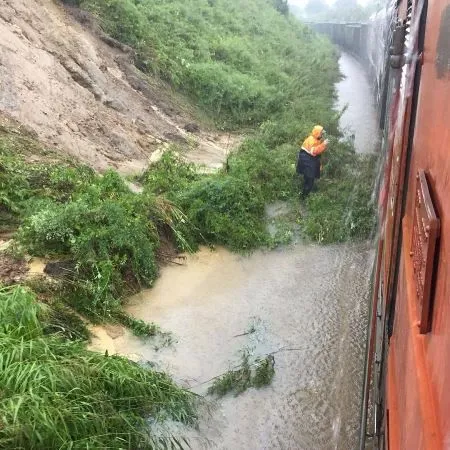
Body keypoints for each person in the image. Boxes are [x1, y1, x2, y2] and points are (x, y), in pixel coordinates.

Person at [296, 125, 329, 197]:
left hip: (308, 158)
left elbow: (316, 150)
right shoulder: (311, 140)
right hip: (306, 159)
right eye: (321, 133)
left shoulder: (315, 138)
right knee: (310, 177)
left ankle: (305, 187)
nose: (322, 135)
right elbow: (314, 151)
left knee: (307, 175)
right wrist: (324, 144)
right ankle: (303, 196)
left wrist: (322, 144)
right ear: (317, 133)